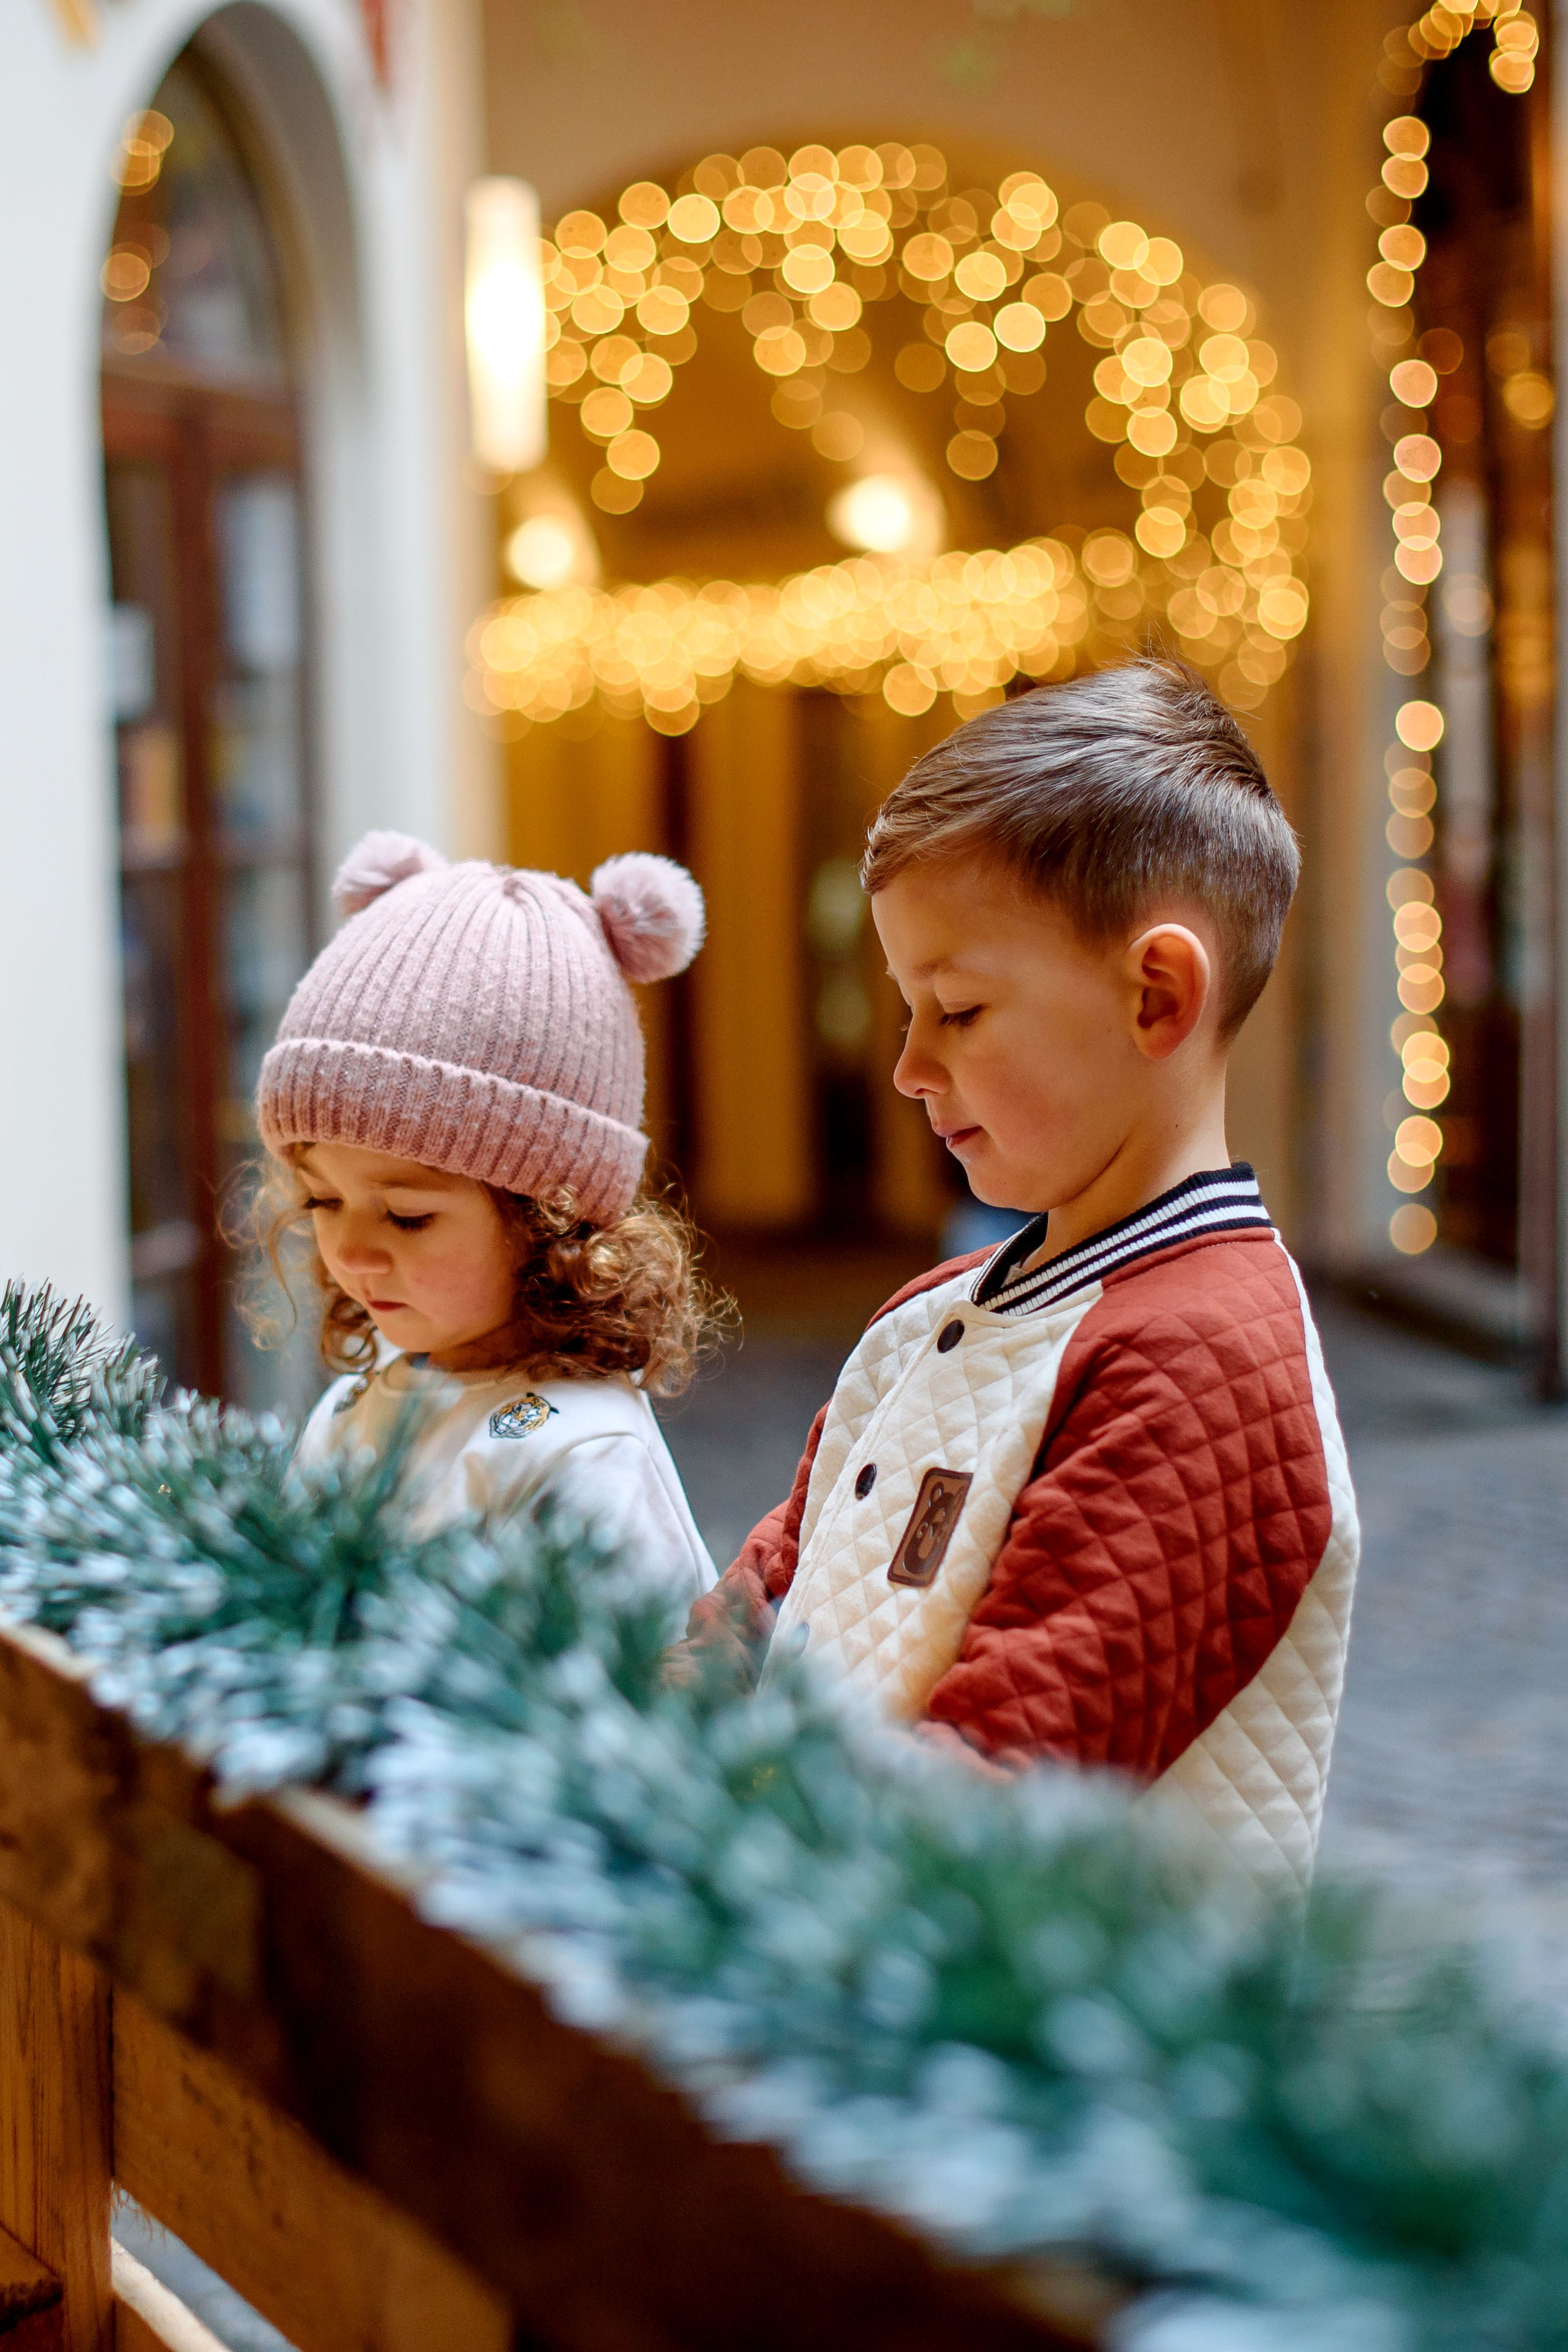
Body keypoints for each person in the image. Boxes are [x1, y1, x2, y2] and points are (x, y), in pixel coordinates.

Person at [687, 659, 1359, 1893]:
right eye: (905, 1008)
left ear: (1155, 995)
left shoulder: (1200, 1361)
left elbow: (996, 1794)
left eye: (956, 1009)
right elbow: (761, 1597)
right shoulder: (928, 1314)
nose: (908, 1065)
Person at [254, 830, 720, 1606]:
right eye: (322, 1200)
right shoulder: (349, 1410)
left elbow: (633, 1678)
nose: (352, 1251)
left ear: (552, 1221)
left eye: (407, 1216)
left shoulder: (583, 1453)